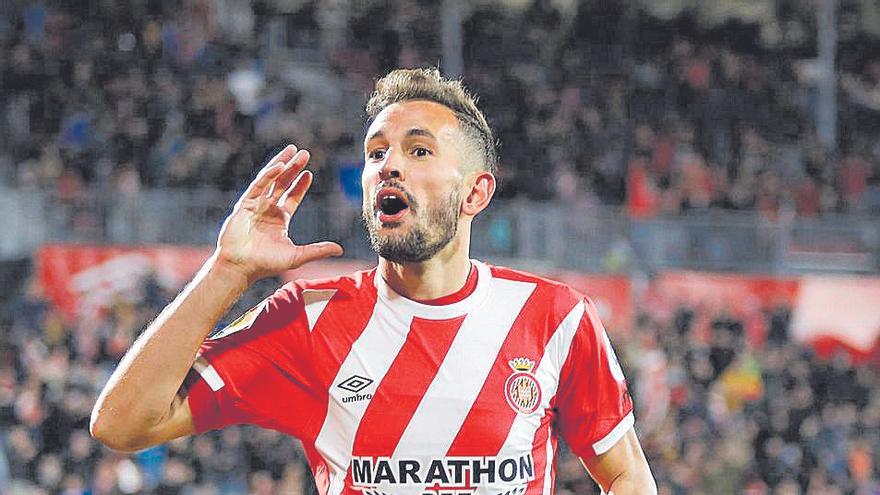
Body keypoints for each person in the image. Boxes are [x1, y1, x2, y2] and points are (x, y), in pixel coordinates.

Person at [91, 68, 656, 495]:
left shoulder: (556, 317)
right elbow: (122, 424)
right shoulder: (309, 319)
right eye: (377, 152)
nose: (389, 165)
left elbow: (626, 471)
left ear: (475, 193)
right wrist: (226, 271)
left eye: (418, 150)